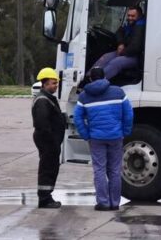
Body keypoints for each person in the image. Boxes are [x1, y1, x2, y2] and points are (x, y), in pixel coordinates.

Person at [74, 66, 134, 211]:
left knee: (99, 170)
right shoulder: (118, 92)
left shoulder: (84, 96)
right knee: (114, 170)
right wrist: (125, 131)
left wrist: (86, 134)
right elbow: (129, 113)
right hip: (115, 137)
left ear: (91, 78)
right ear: (105, 77)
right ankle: (114, 203)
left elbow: (77, 118)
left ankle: (103, 203)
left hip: (96, 138)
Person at [32, 67, 67, 209]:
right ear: (44, 84)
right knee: (47, 169)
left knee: (51, 168)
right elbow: (42, 123)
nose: (55, 86)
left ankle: (47, 196)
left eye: (56, 83)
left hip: (50, 140)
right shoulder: (42, 100)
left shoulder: (47, 98)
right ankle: (45, 199)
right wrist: (52, 141)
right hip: (47, 140)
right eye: (53, 83)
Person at [93, 5, 146, 81]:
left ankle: (98, 83)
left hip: (136, 56)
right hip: (125, 51)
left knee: (116, 63)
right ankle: (89, 77)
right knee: (105, 57)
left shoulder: (140, 26)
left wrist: (121, 53)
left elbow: (135, 47)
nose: (130, 18)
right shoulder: (130, 24)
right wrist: (121, 43)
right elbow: (119, 32)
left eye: (133, 16)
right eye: (129, 15)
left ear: (139, 16)